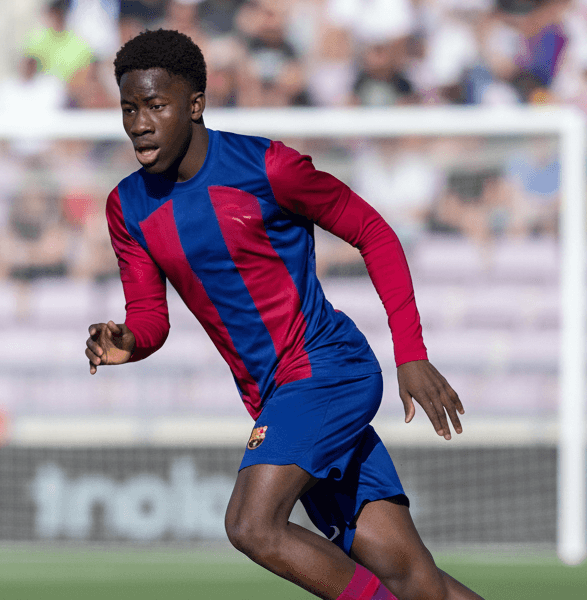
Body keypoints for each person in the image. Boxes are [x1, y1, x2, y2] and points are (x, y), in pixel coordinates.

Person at [84, 29, 483, 600]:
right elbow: (150, 316)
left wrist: (411, 354)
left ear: (194, 105)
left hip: (327, 369)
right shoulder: (126, 206)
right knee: (415, 582)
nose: (139, 123)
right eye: (128, 108)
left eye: (155, 105)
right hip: (278, 395)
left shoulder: (268, 167)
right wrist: (127, 339)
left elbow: (373, 232)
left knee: (251, 525)